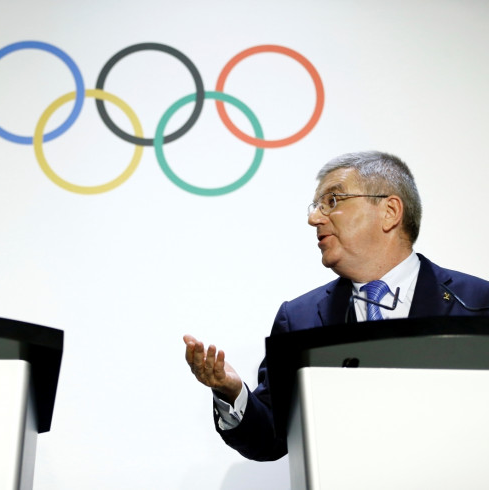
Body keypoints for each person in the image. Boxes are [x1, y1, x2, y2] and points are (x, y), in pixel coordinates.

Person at [184, 151, 489, 462]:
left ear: (390, 211)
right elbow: (270, 440)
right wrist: (232, 392)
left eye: (332, 201)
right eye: (316, 206)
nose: (313, 218)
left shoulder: (478, 303)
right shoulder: (299, 317)